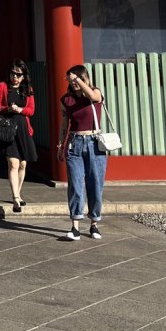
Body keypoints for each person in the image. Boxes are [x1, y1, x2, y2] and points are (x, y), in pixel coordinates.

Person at [57, 64, 106, 242]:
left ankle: (94, 224)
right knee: (76, 185)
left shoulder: (95, 93)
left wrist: (78, 79)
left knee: (95, 185)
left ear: (85, 78)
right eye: (72, 79)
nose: (75, 83)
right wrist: (60, 145)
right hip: (74, 143)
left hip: (94, 143)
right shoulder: (66, 100)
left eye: (79, 79)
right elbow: (64, 124)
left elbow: (93, 96)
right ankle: (75, 226)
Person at [0, 62, 37, 213]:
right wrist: (8, 109)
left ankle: (17, 193)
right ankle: (16, 198)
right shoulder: (3, 86)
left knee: (23, 164)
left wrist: (21, 109)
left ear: (23, 76)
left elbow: (31, 110)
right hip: (9, 130)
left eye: (18, 75)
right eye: (12, 74)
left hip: (24, 130)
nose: (15, 77)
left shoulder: (28, 89)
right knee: (13, 163)